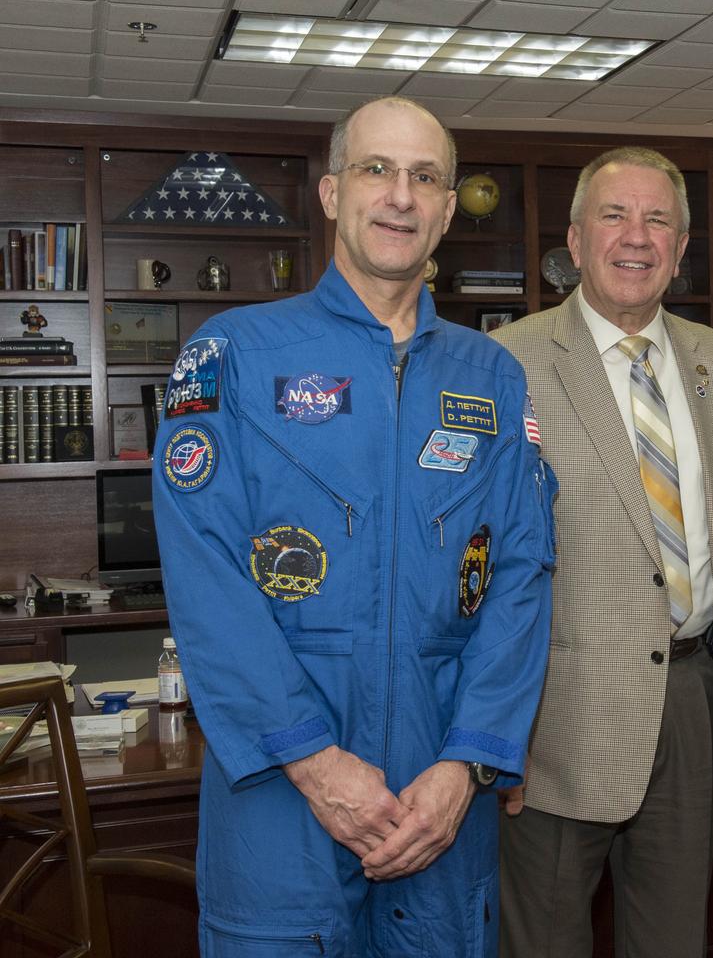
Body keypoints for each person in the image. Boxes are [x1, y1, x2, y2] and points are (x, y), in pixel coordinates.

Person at [152, 96, 556, 956]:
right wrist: (313, 760)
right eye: (377, 170)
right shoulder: (233, 357)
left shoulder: (494, 376)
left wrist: (470, 763)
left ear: (448, 208)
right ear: (333, 193)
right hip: (280, 791)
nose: (400, 196)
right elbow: (208, 582)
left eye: (425, 177)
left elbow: (521, 575)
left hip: (439, 797)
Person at [492, 147, 713, 958]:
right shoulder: (505, 365)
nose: (636, 236)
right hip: (552, 716)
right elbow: (470, 569)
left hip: (691, 703)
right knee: (542, 941)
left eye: (659, 220)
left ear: (682, 248)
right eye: (614, 215)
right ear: (575, 242)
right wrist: (493, 732)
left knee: (673, 939)